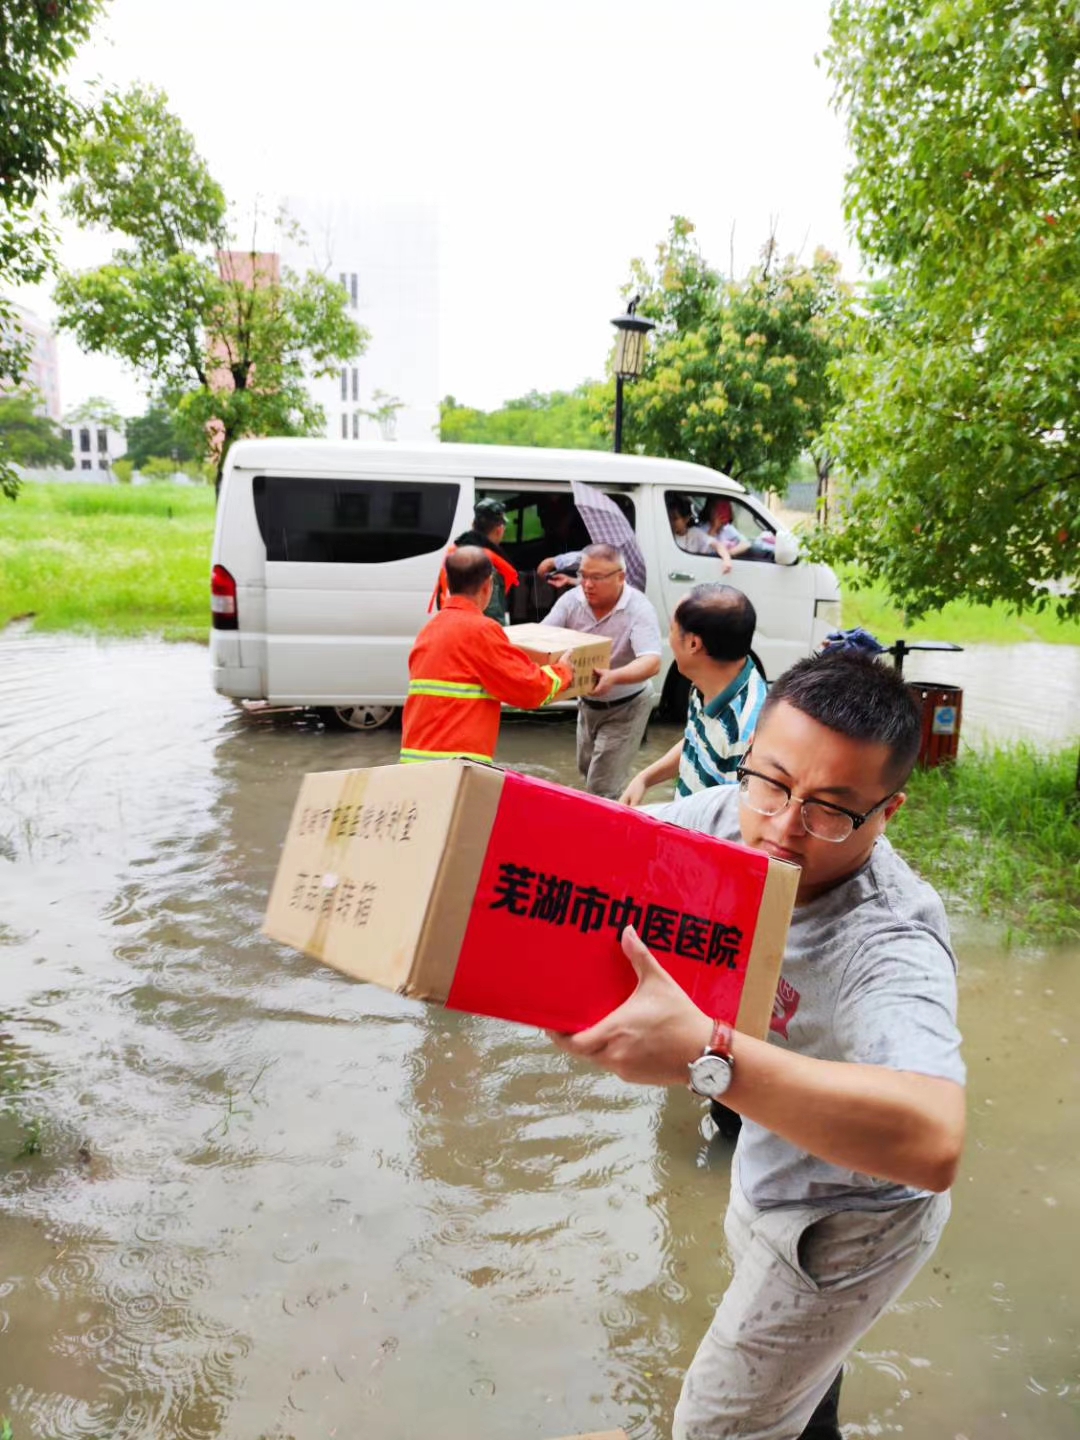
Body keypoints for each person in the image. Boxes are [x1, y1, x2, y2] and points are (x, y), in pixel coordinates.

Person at [552, 650, 966, 1440]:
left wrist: (707, 1054)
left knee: (715, 1425)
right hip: (770, 1162)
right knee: (798, 1392)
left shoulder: (887, 936)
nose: (781, 829)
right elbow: (592, 848)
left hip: (854, 1218)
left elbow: (933, 1140)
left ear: (887, 814)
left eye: (831, 809)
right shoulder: (728, 818)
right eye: (771, 783)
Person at [401, 547, 573, 764]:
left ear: (449, 582)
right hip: (455, 767)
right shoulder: (480, 631)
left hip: (414, 763)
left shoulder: (430, 629)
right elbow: (529, 688)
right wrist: (563, 672)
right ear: (488, 586)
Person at [620, 585, 766, 806]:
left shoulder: (747, 732)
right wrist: (645, 778)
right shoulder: (705, 683)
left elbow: (733, 823)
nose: (669, 638)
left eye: (671, 629)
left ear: (693, 644)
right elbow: (697, 741)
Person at [544, 543, 663, 799]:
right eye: (583, 575)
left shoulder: (638, 609)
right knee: (586, 771)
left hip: (627, 705)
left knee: (602, 786)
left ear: (621, 577)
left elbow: (652, 661)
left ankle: (606, 832)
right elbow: (543, 636)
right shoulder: (572, 601)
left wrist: (614, 676)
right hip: (587, 702)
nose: (587, 584)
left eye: (596, 578)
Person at [444, 497, 519, 623]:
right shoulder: (486, 564)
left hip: (453, 624)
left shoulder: (458, 553)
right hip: (477, 634)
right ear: (500, 529)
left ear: (473, 525)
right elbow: (493, 616)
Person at [701, 496, 777, 563]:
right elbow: (704, 553)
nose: (723, 514)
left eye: (726, 509)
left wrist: (727, 554)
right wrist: (714, 528)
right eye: (720, 510)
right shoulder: (700, 530)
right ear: (711, 510)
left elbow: (746, 544)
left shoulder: (728, 529)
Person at [667, 497, 733, 574]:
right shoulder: (666, 536)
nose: (671, 522)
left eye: (675, 519)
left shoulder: (695, 533)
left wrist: (726, 559)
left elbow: (717, 545)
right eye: (669, 518)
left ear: (686, 519)